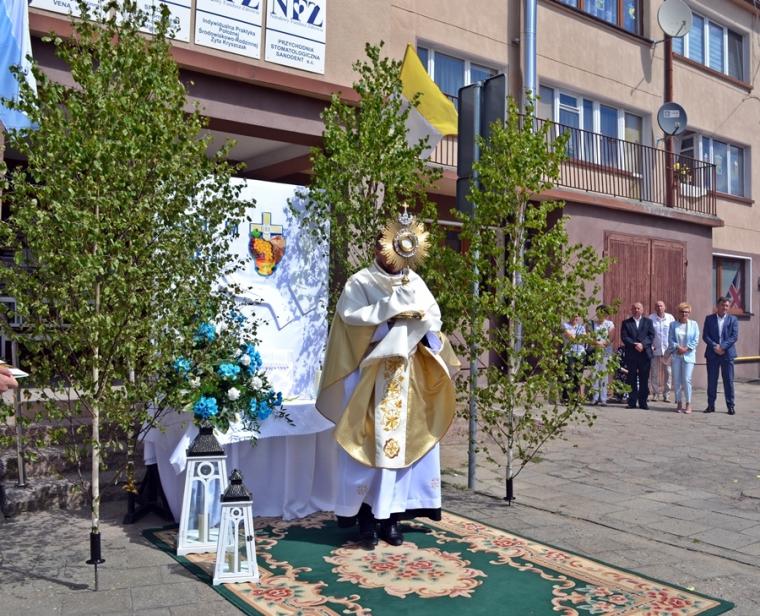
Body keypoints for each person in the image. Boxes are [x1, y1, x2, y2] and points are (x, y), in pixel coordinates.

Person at [316, 233, 459, 549]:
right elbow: (351, 321)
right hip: (369, 373)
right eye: (385, 246)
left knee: (405, 446)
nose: (392, 254)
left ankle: (391, 517)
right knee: (366, 447)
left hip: (408, 376)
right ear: (377, 248)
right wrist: (391, 312)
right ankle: (365, 519)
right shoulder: (360, 282)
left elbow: (433, 318)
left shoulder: (415, 281)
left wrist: (418, 325)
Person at [703, 296, 739, 415]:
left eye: (727, 306)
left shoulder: (733, 319)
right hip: (712, 354)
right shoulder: (709, 319)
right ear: (717, 306)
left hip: (727, 354)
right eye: (722, 305)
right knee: (712, 380)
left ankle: (730, 406)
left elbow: (734, 336)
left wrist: (722, 347)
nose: (724, 307)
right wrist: (715, 346)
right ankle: (711, 405)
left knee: (728, 381)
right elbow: (705, 335)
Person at [620, 302, 655, 410]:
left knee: (644, 379)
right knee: (631, 379)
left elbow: (651, 335)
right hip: (632, 354)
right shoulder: (626, 322)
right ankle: (632, 402)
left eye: (638, 308)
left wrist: (642, 345)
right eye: (634, 308)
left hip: (644, 354)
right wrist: (635, 344)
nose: (636, 310)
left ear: (642, 310)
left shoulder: (648, 322)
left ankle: (643, 403)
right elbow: (624, 337)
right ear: (631, 310)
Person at [668, 302, 699, 414]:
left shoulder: (694, 324)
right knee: (676, 380)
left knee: (686, 379)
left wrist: (686, 348)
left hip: (688, 355)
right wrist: (678, 347)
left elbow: (696, 340)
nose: (684, 314)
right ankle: (679, 402)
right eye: (682, 312)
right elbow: (670, 339)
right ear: (678, 313)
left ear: (689, 313)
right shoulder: (673, 325)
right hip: (676, 355)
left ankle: (688, 403)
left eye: (686, 312)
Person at [648, 300, 674, 402]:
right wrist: (650, 345)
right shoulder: (651, 318)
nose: (659, 308)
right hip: (655, 348)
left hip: (667, 349)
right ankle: (655, 394)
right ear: (655, 308)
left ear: (664, 307)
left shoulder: (670, 318)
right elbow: (648, 333)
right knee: (654, 372)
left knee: (668, 372)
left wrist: (672, 346)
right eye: (657, 306)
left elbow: (673, 332)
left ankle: (666, 394)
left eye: (661, 306)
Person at [588, 305, 614, 406]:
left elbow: (611, 337)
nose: (600, 314)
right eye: (598, 312)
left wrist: (604, 344)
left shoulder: (609, 324)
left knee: (604, 375)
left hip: (605, 351)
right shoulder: (591, 324)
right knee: (595, 374)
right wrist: (596, 343)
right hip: (595, 351)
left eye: (603, 312)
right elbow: (588, 337)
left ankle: (603, 398)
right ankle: (595, 397)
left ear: (606, 314)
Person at [561, 315, 586, 403]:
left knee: (578, 376)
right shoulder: (565, 325)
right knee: (569, 374)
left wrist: (575, 337)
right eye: (574, 316)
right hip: (569, 353)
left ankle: (575, 397)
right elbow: (570, 337)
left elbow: (584, 339)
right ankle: (566, 397)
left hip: (580, 354)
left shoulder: (581, 327)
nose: (575, 318)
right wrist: (578, 337)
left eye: (577, 317)